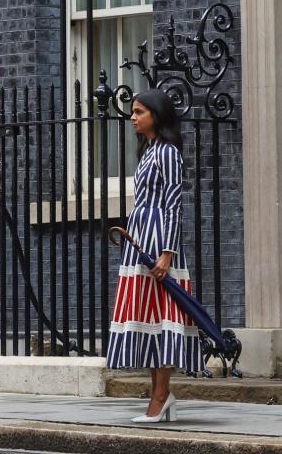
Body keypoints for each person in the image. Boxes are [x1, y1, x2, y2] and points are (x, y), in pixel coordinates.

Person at [104, 88, 201, 424]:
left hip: (159, 242)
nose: (133, 117)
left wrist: (167, 253)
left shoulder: (168, 154)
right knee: (149, 320)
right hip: (141, 240)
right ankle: (158, 396)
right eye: (133, 112)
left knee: (163, 320)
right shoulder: (148, 151)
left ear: (156, 116)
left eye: (139, 112)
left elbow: (174, 204)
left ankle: (161, 396)